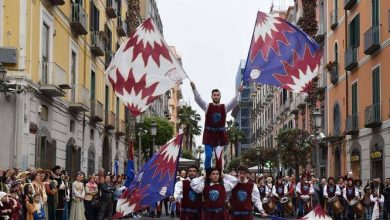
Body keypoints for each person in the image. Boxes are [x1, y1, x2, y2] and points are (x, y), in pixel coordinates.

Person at [191, 82, 242, 171]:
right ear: (212, 96)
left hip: (220, 136)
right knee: (208, 155)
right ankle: (207, 174)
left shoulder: (224, 107)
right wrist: (194, 89)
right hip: (209, 135)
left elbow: (234, 102)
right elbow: (198, 99)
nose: (216, 96)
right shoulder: (207, 106)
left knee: (218, 157)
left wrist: (239, 92)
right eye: (214, 95)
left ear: (220, 96)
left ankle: (219, 175)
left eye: (217, 95)